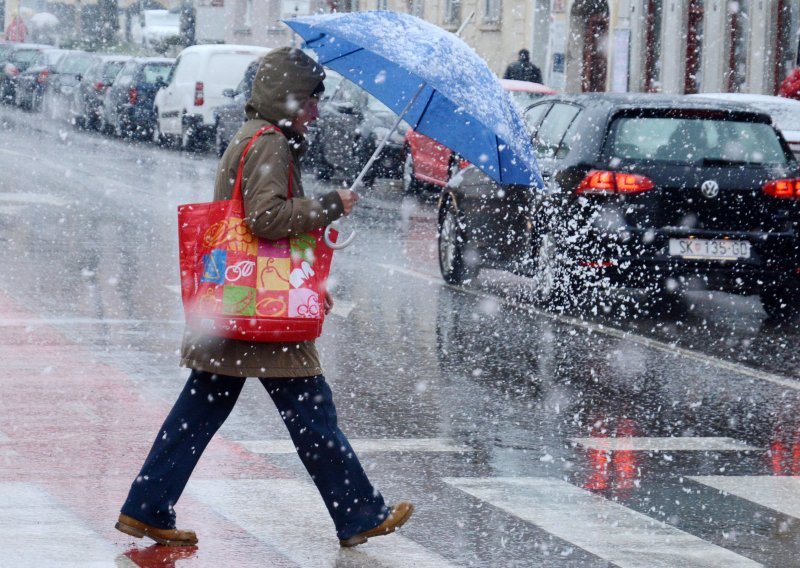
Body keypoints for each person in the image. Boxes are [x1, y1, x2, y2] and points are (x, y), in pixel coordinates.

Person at [115, 47, 413, 548]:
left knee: (201, 411)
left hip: (237, 300)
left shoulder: (250, 135)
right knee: (312, 413)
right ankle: (359, 513)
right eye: (312, 100)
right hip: (260, 311)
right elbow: (266, 219)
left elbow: (255, 234)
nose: (317, 111)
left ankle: (147, 506)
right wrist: (329, 206)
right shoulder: (270, 143)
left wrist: (307, 286)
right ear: (289, 98)